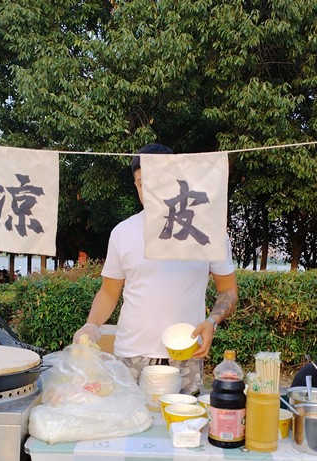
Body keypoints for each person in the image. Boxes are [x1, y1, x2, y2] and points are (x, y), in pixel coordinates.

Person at [73, 143, 238, 394]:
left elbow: (228, 290)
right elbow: (109, 292)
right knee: (131, 428)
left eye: (155, 179)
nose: (147, 189)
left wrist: (212, 321)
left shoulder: (208, 230)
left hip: (186, 354)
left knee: (182, 427)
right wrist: (91, 325)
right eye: (140, 182)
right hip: (131, 357)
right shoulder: (123, 232)